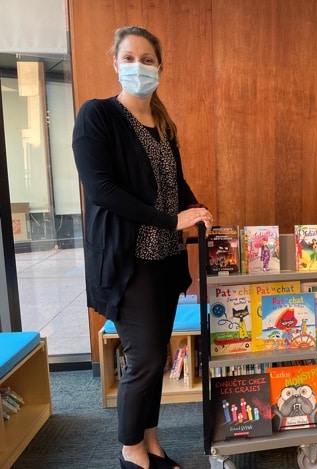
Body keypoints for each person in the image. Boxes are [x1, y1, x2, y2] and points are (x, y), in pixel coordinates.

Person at [72, 26, 213, 469]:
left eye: (147, 59)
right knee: (145, 359)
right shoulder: (97, 116)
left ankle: (151, 441)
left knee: (158, 356)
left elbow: (175, 181)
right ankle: (131, 452)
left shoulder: (163, 123)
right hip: (127, 262)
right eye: (129, 57)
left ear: (160, 67)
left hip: (166, 260)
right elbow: (102, 190)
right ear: (115, 63)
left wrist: (196, 207)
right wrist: (172, 219)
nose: (139, 66)